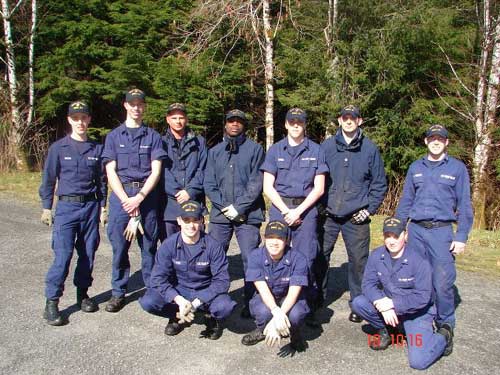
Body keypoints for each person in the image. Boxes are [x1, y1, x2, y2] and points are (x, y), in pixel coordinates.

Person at [395, 124, 473, 352]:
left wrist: (461, 237)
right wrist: (398, 230)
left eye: (441, 138)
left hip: (441, 232)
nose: (436, 142)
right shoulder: (415, 167)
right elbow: (406, 202)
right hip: (416, 231)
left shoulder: (457, 169)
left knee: (442, 283)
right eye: (432, 138)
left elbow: (465, 206)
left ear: (447, 142)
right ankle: (417, 324)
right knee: (415, 279)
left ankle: (445, 326)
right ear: (426, 141)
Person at [316, 105, 387, 323]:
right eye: (345, 118)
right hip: (328, 214)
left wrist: (369, 210)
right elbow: (316, 179)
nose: (348, 121)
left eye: (352, 118)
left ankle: (359, 304)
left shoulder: (370, 149)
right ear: (339, 120)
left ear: (359, 121)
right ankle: (316, 302)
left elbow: (379, 184)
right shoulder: (326, 147)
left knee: (358, 262)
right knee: (319, 258)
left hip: (356, 216)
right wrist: (319, 208)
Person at [39, 101, 107, 325]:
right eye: (76, 118)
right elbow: (49, 179)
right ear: (69, 120)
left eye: (84, 117)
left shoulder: (97, 149)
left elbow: (102, 182)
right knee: (63, 255)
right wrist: (47, 207)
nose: (80, 122)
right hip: (67, 208)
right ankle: (52, 302)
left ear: (89, 120)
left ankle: (83, 295)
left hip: (90, 208)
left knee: (88, 253)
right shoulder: (58, 148)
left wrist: (103, 207)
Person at [352, 217, 452, 370]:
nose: (391, 241)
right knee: (359, 303)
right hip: (390, 308)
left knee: (419, 361)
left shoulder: (419, 260)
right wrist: (382, 304)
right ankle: (388, 330)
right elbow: (368, 284)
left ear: (405, 236)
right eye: (387, 236)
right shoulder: (377, 255)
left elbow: (423, 297)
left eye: (396, 236)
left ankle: (444, 335)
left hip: (416, 313)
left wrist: (391, 304)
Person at [102, 89, 167, 313]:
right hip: (122, 198)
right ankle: (118, 292)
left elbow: (156, 170)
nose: (136, 108)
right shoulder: (113, 137)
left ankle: (151, 290)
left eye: (140, 104)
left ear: (144, 107)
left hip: (146, 197)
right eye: (133, 104)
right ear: (125, 106)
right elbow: (111, 172)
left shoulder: (153, 136)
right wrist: (126, 200)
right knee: (120, 247)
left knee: (149, 247)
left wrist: (139, 197)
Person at [260, 107, 327, 322]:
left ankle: (305, 308)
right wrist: (286, 211)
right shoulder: (275, 150)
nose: (296, 125)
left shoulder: (316, 150)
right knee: (275, 254)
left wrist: (298, 211)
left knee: (306, 258)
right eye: (292, 121)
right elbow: (268, 187)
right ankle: (274, 305)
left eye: (300, 121)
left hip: (306, 211)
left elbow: (319, 188)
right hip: (281, 209)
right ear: (286, 124)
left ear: (305, 124)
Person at [139, 200, 236, 339]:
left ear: (202, 221)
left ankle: (211, 317)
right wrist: (178, 300)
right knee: (148, 301)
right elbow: (158, 278)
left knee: (225, 306)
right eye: (186, 220)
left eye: (195, 220)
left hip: (205, 291)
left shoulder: (213, 246)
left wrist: (197, 302)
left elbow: (222, 281)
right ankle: (177, 315)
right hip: (180, 291)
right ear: (179, 221)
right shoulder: (169, 245)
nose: (191, 225)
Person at [204, 109, 265, 318]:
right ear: (225, 124)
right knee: (215, 258)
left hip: (248, 215)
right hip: (221, 217)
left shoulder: (255, 150)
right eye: (231, 121)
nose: (235, 124)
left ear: (244, 126)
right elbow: (209, 184)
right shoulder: (215, 152)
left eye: (239, 121)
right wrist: (225, 207)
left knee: (252, 260)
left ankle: (251, 303)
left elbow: (257, 182)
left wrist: (239, 208)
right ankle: (212, 300)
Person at [241, 220, 309, 352]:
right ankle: (262, 330)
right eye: (270, 237)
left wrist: (276, 319)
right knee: (262, 312)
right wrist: (276, 312)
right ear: (264, 238)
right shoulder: (255, 256)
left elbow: (294, 292)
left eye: (280, 238)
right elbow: (262, 289)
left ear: (287, 240)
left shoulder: (298, 258)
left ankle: (294, 334)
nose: (274, 242)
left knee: (296, 314)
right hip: (266, 296)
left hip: (288, 297)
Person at [158, 103, 207, 243]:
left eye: (181, 117)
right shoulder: (160, 142)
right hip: (169, 204)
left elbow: (203, 169)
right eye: (174, 118)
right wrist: (176, 191)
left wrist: (190, 191)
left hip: (194, 201)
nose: (178, 121)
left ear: (186, 119)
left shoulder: (199, 142)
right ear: (168, 119)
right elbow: (161, 170)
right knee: (170, 245)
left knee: (196, 244)